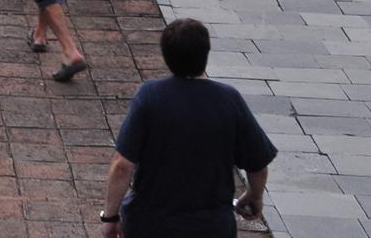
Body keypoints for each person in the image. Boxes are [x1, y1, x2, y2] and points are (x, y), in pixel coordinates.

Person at [101, 18, 277, 237]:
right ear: (206, 52)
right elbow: (257, 164)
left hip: (150, 223)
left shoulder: (150, 96)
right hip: (211, 227)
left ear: (166, 56)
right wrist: (254, 195)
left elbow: (122, 166)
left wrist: (110, 217)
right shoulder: (229, 99)